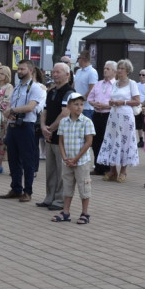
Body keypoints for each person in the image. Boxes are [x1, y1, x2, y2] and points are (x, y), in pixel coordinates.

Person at [0, 60, 45, 203]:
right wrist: (9, 113)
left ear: (30, 70)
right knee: (13, 159)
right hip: (13, 125)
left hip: (26, 126)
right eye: (18, 69)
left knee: (27, 161)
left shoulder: (35, 88)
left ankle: (28, 191)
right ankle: (16, 188)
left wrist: (11, 110)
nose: (19, 71)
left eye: (22, 69)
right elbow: (13, 105)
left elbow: (30, 107)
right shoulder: (18, 87)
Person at [51, 92, 95, 224]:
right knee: (67, 186)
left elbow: (89, 142)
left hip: (81, 161)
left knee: (84, 186)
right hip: (68, 161)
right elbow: (61, 141)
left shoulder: (86, 122)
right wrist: (64, 157)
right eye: (76, 104)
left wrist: (76, 158)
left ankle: (85, 213)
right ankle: (65, 212)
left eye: (81, 104)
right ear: (69, 106)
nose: (79, 107)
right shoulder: (64, 122)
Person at [97, 59, 141, 183]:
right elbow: (113, 99)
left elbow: (137, 101)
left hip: (126, 117)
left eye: (121, 68)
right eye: (118, 68)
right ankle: (112, 170)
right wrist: (111, 103)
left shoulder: (132, 83)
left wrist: (123, 102)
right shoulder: (115, 83)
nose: (119, 70)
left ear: (127, 70)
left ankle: (123, 171)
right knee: (111, 141)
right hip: (114, 116)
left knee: (124, 141)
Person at [39, 62, 75, 209]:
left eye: (58, 72)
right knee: (50, 170)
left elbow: (65, 113)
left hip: (62, 137)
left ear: (67, 74)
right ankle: (49, 197)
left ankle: (59, 200)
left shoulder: (69, 92)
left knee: (61, 171)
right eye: (53, 72)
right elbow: (44, 111)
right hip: (49, 136)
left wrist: (51, 129)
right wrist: (43, 127)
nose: (54, 75)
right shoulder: (51, 91)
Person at [87, 61, 117, 176]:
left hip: (108, 115)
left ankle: (108, 167)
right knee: (95, 141)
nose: (105, 70)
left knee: (108, 141)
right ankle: (98, 166)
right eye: (104, 68)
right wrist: (94, 104)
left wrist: (106, 106)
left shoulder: (116, 85)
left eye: (108, 69)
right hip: (96, 114)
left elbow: (118, 101)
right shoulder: (98, 83)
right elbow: (90, 98)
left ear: (114, 71)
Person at [0, 66, 14, 176]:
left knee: (1, 141)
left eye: (1, 73)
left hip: (1, 117)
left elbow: (6, 101)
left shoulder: (9, 87)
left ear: (7, 75)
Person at [73, 50, 98, 119]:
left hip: (86, 108)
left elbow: (92, 89)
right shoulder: (78, 71)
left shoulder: (92, 72)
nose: (78, 60)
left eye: (79, 58)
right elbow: (74, 86)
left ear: (83, 59)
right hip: (75, 105)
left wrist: (82, 99)